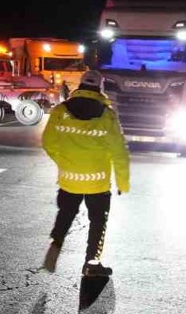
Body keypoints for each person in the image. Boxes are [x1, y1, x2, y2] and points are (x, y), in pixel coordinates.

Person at [40, 69, 130, 277]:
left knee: (66, 213)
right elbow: (118, 151)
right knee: (98, 221)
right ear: (100, 88)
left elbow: (48, 143)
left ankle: (56, 242)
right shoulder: (107, 115)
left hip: (69, 179)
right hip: (97, 182)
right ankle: (92, 263)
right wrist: (122, 181)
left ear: (80, 86)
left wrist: (64, 162)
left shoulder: (60, 110)